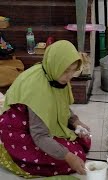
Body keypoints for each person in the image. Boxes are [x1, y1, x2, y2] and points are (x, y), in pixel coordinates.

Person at [0, 40, 91, 178]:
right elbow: (39, 136)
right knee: (74, 157)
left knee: (84, 140)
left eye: (73, 71)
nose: (69, 77)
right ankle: (13, 156)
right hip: (21, 133)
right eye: (66, 71)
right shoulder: (37, 90)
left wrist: (76, 123)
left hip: (38, 126)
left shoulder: (53, 75)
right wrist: (68, 156)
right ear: (56, 65)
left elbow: (61, 106)